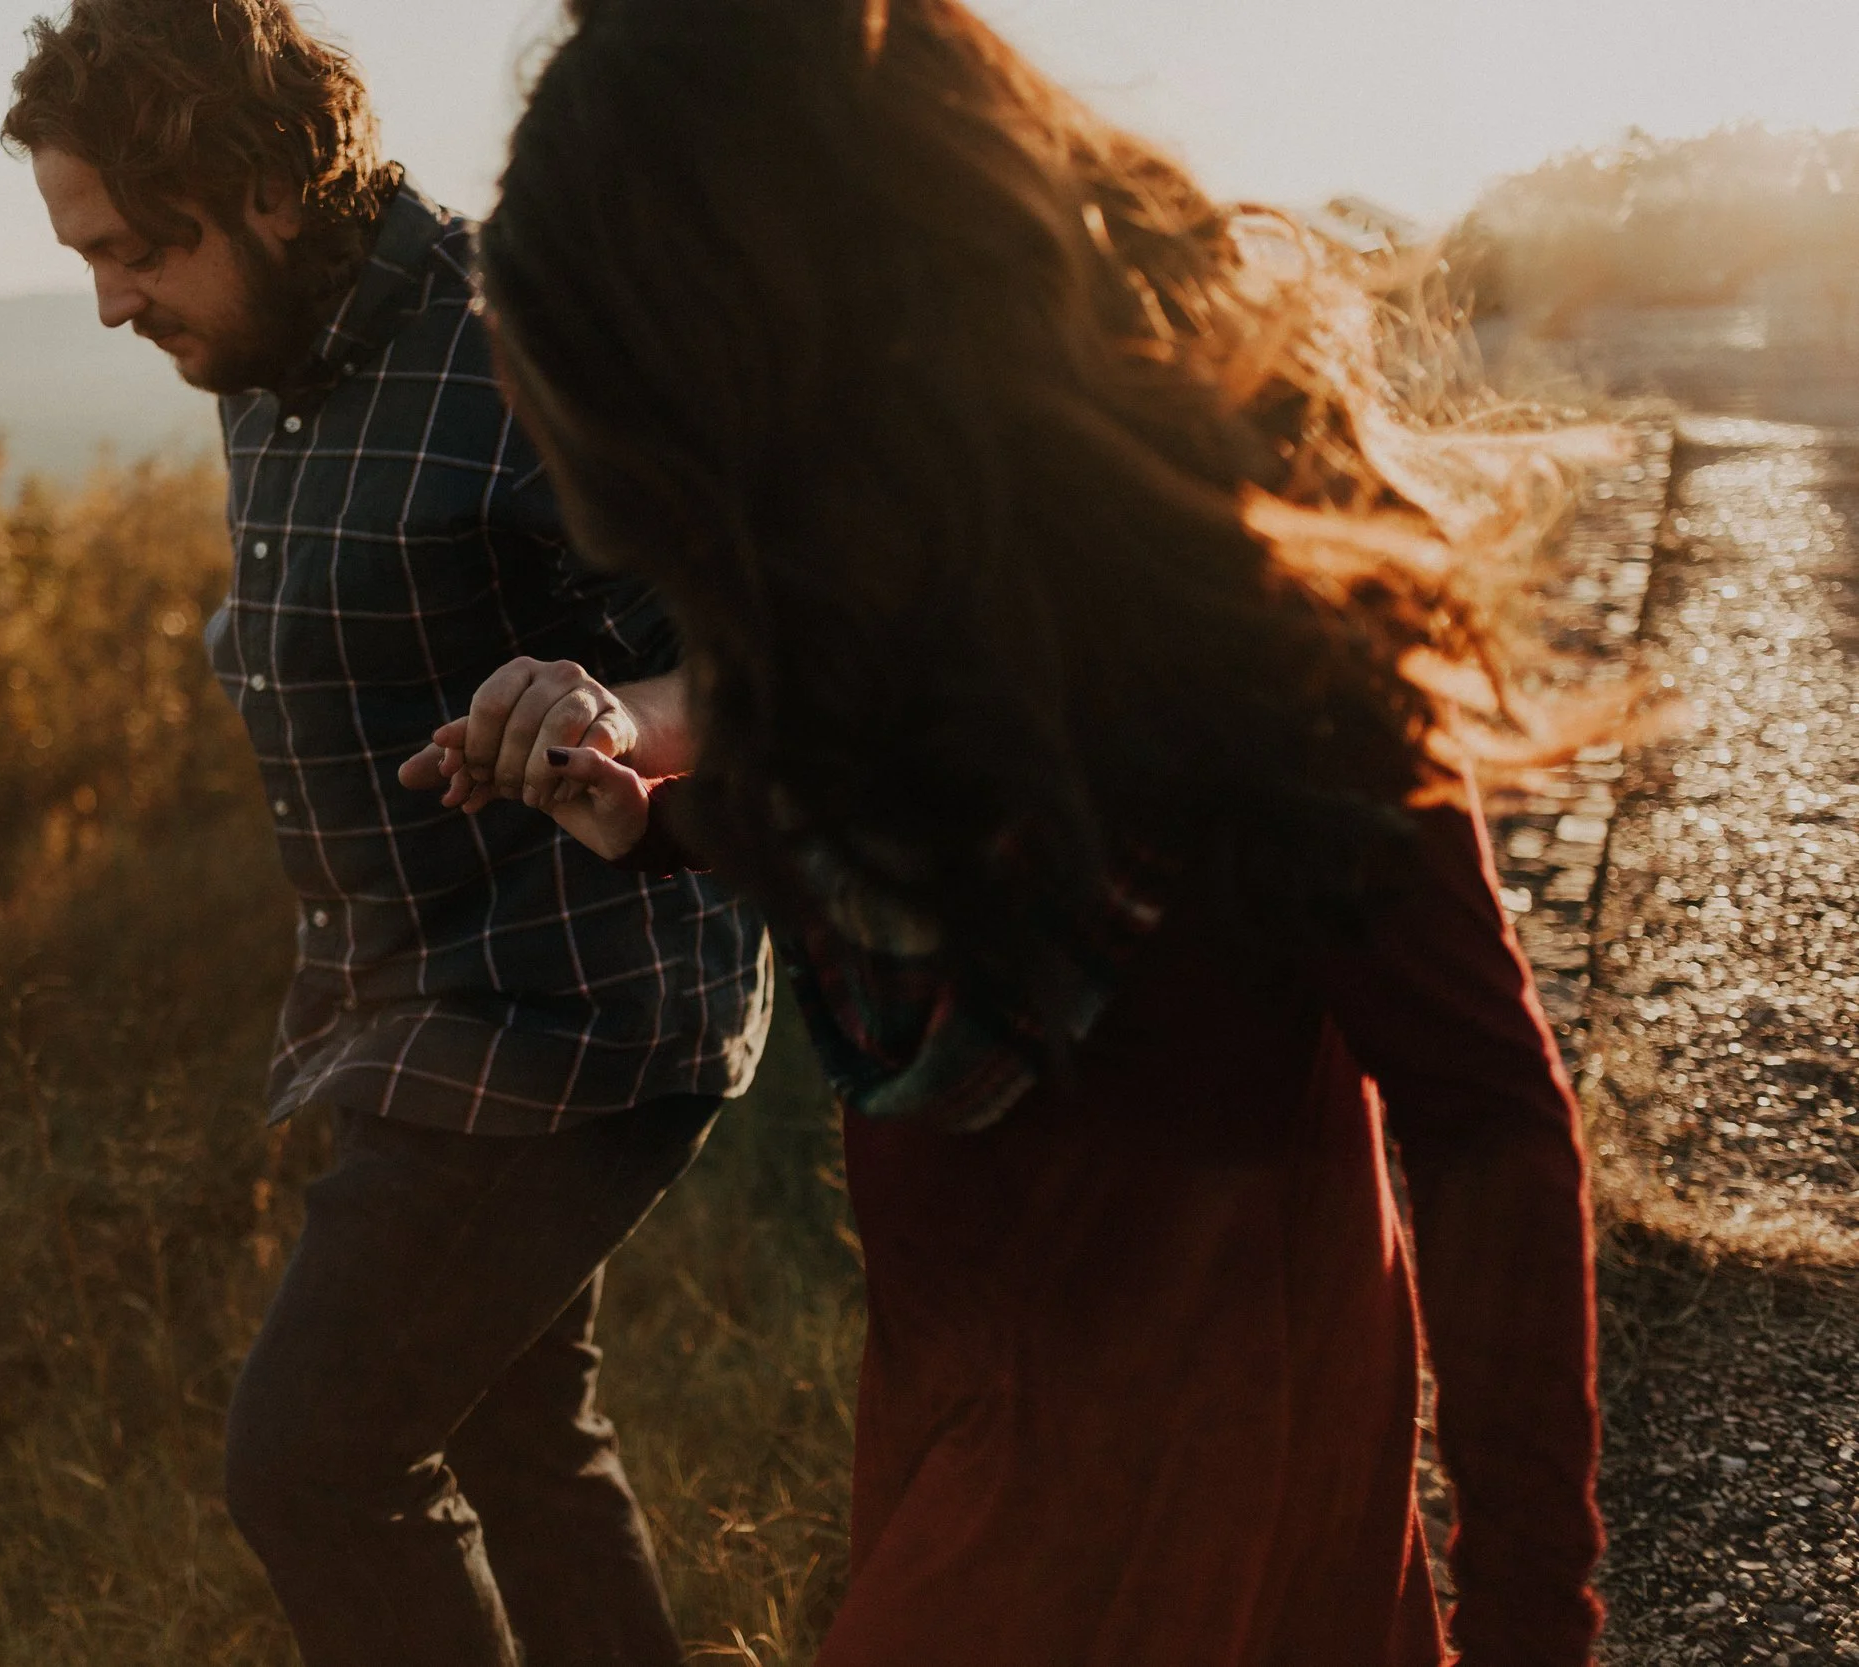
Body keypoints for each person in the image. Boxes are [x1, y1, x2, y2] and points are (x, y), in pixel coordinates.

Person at [417, 0, 1609, 1660]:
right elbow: (897, 802)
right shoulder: (863, 595)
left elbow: (1485, 1119)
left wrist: (1536, 1614)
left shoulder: (1257, 635)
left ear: (807, 368)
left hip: (1221, 1505)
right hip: (960, 1421)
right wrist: (661, 827)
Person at [2, 6, 773, 1665]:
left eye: (138, 249)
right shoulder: (264, 351)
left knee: (314, 1462)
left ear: (271, 184)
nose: (114, 301)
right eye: (89, 256)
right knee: (521, 1438)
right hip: (409, 998)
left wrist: (609, 706)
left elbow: (749, 665)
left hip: (573, 1013)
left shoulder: (528, 351)